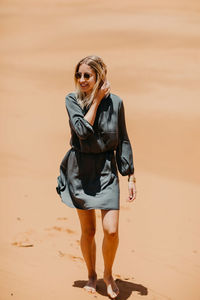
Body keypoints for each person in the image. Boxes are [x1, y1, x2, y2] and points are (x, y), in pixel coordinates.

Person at [56, 55, 136, 299]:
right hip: (79, 169)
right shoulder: (72, 100)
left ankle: (108, 274)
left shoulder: (117, 103)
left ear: (99, 76)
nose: (81, 80)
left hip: (106, 170)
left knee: (111, 230)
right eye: (78, 75)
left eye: (87, 75)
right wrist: (97, 99)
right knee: (89, 231)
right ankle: (91, 274)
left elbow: (122, 138)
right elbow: (82, 131)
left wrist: (130, 175)